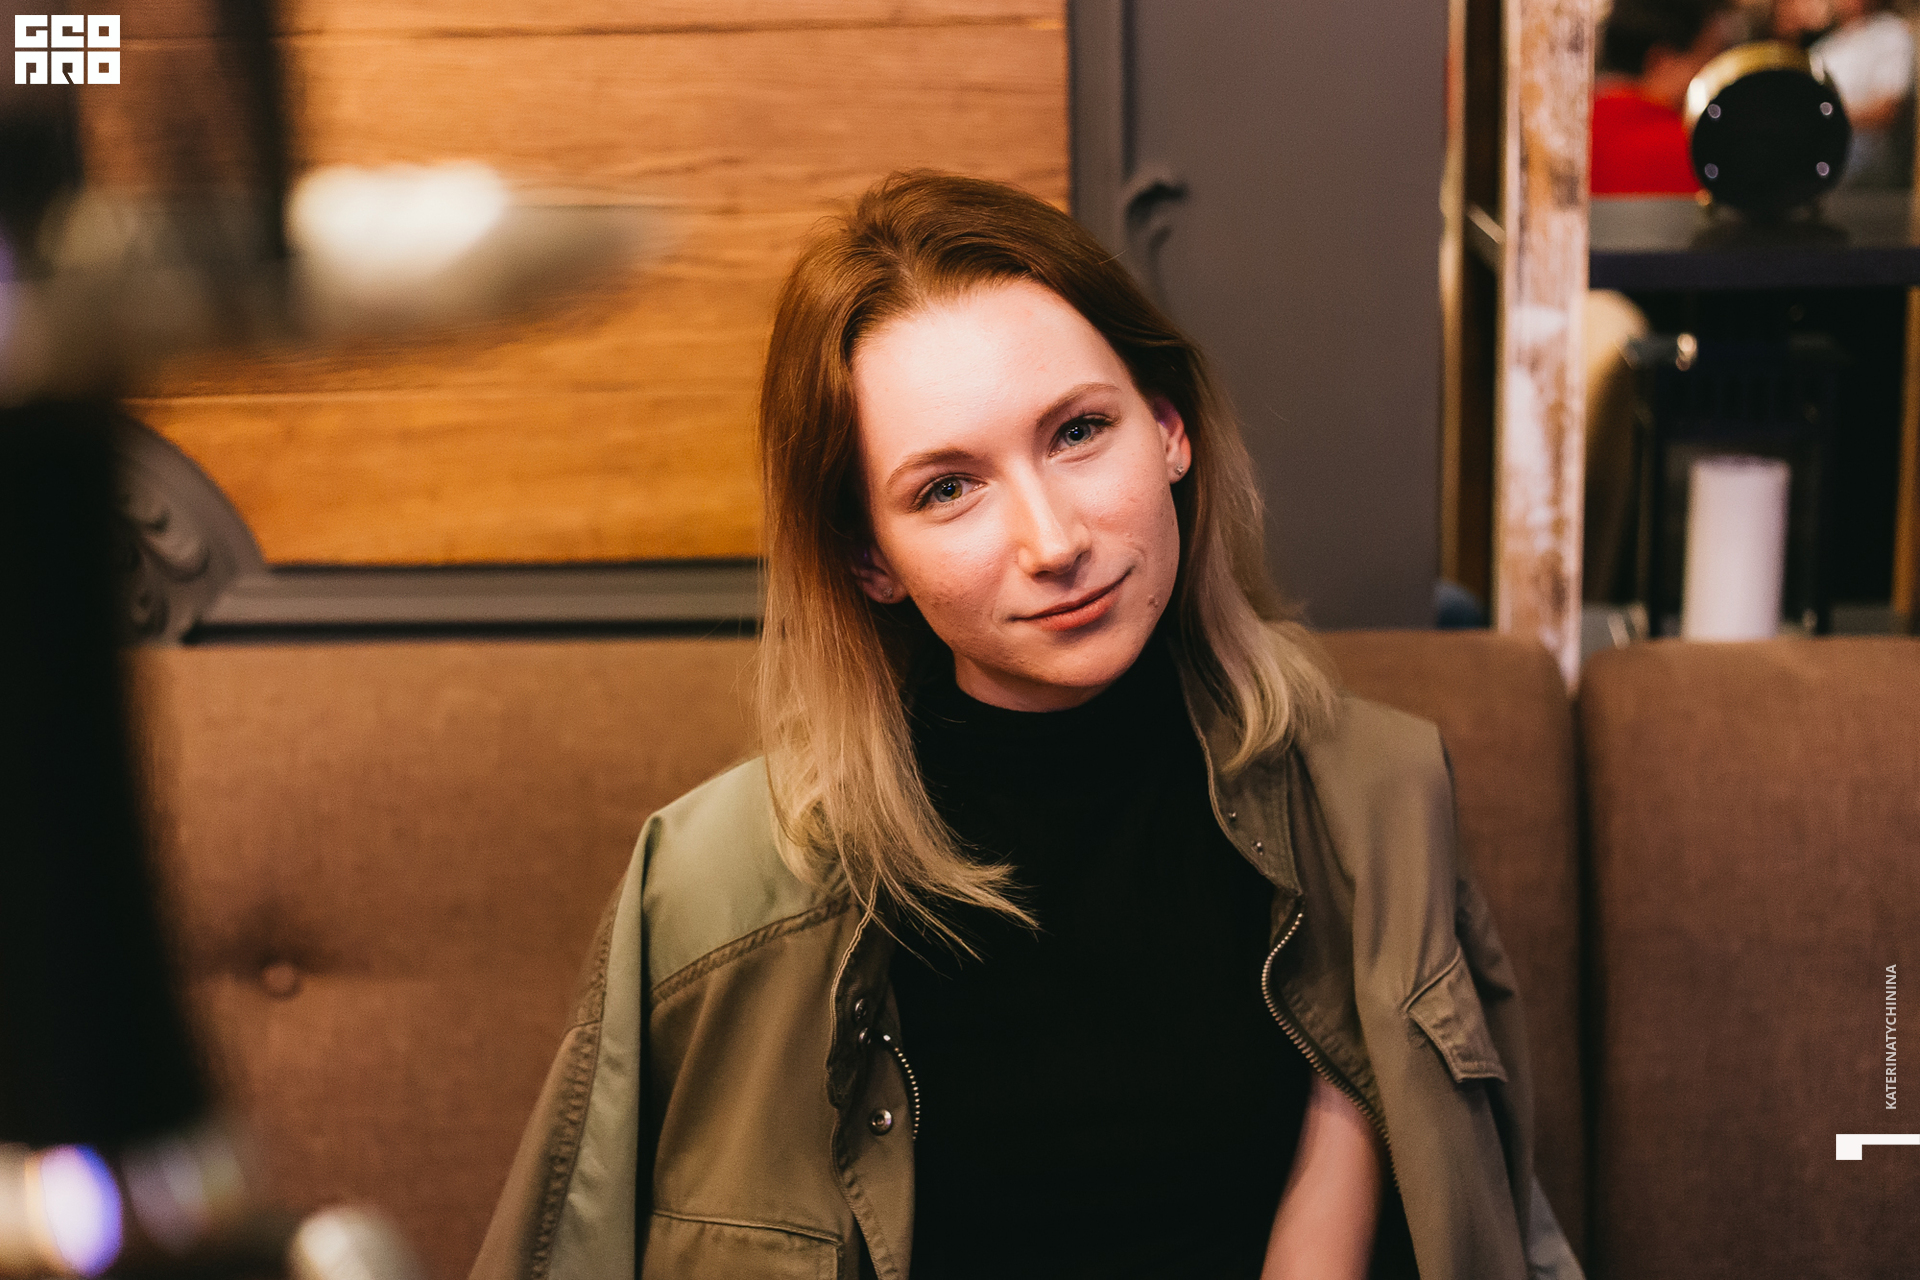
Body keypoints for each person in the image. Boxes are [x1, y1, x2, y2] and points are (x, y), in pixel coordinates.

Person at [469, 171, 1582, 1280]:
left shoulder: (1375, 799)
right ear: (871, 559)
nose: (1054, 542)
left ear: (1169, 430)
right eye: (947, 489)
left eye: (1079, 431)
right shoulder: (707, 884)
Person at [1591, 0, 1738, 194]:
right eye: (1710, 57)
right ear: (1662, 62)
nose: (1715, 73)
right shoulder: (1699, 155)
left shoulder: (1571, 134)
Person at [1811, 0, 1916, 187]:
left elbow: (1888, 111)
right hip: (1826, 177)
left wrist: (1827, 114)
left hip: (1873, 182)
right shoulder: (1822, 50)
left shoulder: (1891, 33)